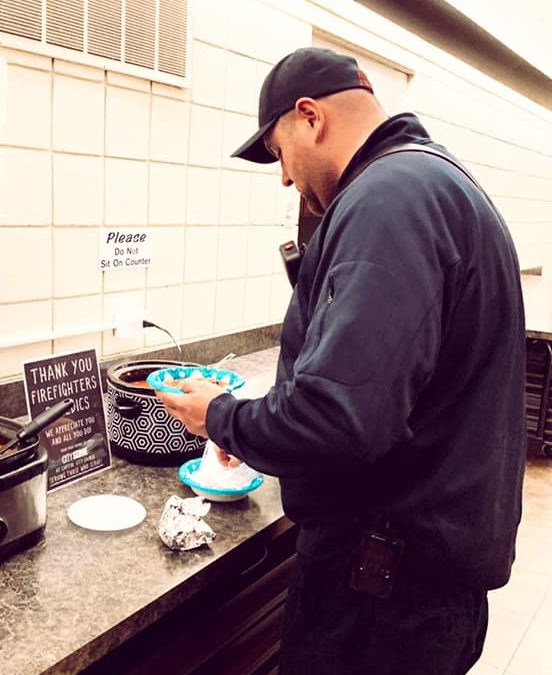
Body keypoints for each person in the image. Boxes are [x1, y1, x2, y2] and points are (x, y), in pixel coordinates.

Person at [156, 47, 527, 674]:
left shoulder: (388, 201)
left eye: (277, 153)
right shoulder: (436, 181)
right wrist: (260, 429)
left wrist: (218, 416)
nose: (283, 177)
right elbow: (392, 395)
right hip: (421, 583)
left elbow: (339, 418)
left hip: (382, 594)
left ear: (309, 117)